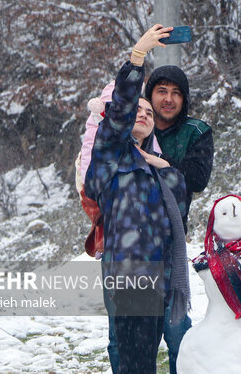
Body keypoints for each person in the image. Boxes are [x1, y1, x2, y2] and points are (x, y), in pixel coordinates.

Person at [85, 24, 190, 374]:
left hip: (162, 276)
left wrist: (167, 168)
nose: (143, 114)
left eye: (149, 112)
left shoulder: (166, 172)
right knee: (135, 364)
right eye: (137, 110)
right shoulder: (110, 157)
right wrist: (137, 58)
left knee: (145, 361)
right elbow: (117, 115)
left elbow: (176, 225)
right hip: (130, 276)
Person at [143, 62, 214, 374]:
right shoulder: (137, 125)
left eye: (175, 93)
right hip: (131, 242)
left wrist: (158, 163)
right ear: (150, 95)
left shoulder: (195, 132)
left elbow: (197, 178)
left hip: (171, 237)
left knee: (176, 329)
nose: (168, 99)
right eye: (161, 91)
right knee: (132, 333)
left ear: (184, 100)